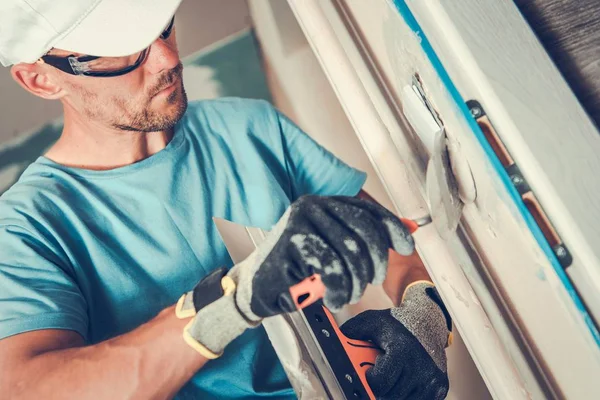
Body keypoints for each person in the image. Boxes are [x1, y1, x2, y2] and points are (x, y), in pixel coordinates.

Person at [0, 1, 451, 399]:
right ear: (40, 80)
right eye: (124, 50)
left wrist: (424, 317)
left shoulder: (249, 127)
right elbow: (30, 390)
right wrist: (228, 305)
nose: (167, 58)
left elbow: (393, 245)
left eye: (161, 27)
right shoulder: (26, 228)